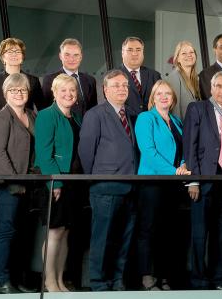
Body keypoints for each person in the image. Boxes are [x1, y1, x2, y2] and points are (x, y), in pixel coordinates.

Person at [77, 70, 138, 291]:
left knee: (124, 238)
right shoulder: (95, 114)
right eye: (116, 85)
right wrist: (96, 179)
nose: (122, 89)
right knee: (102, 238)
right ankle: (98, 283)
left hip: (131, 187)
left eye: (125, 85)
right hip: (104, 187)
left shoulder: (131, 114)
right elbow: (86, 152)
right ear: (105, 89)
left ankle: (117, 280)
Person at [183, 71, 222, 289]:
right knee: (200, 234)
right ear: (211, 87)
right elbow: (190, 144)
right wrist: (194, 180)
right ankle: (199, 280)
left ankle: (219, 279)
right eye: (218, 86)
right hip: (205, 178)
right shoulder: (197, 109)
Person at [134, 79, 191, 291]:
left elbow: (184, 150)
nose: (164, 96)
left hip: (172, 185)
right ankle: (147, 277)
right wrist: (174, 171)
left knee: (169, 232)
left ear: (173, 98)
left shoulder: (176, 120)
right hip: (152, 183)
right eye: (159, 93)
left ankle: (165, 276)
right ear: (153, 98)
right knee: (148, 231)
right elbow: (148, 152)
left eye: (168, 93)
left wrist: (183, 164)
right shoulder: (146, 118)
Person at [0, 73, 38, 294]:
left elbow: (36, 149)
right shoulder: (2, 117)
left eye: (23, 90)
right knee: (5, 233)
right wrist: (15, 181)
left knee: (23, 234)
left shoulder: (31, 115)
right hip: (6, 184)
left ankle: (18, 279)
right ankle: (2, 281)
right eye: (14, 90)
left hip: (27, 183)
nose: (19, 94)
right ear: (5, 93)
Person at [34, 74, 83, 292]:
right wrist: (56, 183)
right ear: (54, 93)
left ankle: (60, 280)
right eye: (63, 90)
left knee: (65, 233)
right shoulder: (46, 116)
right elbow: (44, 154)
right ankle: (49, 281)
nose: (68, 94)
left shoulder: (77, 117)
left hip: (74, 181)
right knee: (54, 232)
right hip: (55, 181)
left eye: (72, 90)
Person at [0, 37, 45, 120]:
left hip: (27, 128)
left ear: (23, 57)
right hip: (2, 128)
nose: (14, 54)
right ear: (3, 57)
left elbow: (43, 110)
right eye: (9, 52)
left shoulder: (33, 80)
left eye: (18, 51)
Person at [42, 38, 98, 116]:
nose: (72, 59)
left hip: (87, 126)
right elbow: (46, 110)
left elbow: (94, 110)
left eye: (76, 55)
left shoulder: (90, 80)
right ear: (60, 56)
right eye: (67, 55)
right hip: (62, 126)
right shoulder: (50, 80)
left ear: (81, 57)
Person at [118, 36, 162, 116]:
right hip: (126, 124)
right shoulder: (112, 76)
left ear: (143, 53)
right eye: (130, 50)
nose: (135, 53)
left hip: (150, 123)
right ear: (122, 53)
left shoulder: (155, 75)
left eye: (138, 50)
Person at [166, 41, 202, 119]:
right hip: (183, 128)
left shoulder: (196, 78)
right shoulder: (174, 77)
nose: (189, 55)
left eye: (191, 52)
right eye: (184, 53)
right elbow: (175, 110)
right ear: (177, 58)